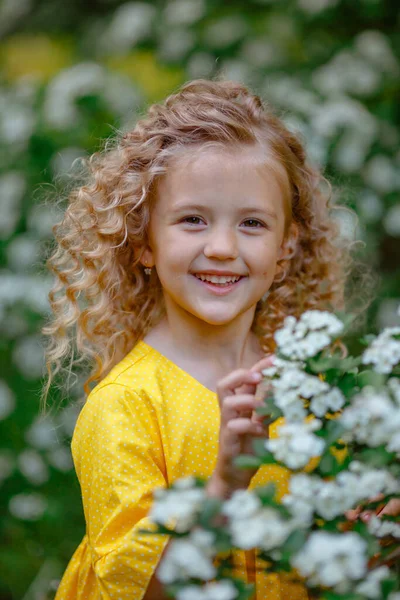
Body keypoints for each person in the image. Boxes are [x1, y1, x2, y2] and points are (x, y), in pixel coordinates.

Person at [42, 79, 351, 600]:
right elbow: (143, 588)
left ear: (285, 248)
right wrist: (224, 484)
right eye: (192, 220)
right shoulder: (127, 404)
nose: (224, 247)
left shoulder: (307, 386)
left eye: (252, 223)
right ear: (144, 240)